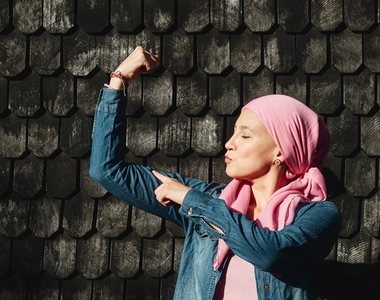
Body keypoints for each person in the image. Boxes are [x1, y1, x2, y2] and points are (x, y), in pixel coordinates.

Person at [89, 46, 342, 300]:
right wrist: (118, 79)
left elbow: (271, 253)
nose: (229, 143)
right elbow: (107, 170)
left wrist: (193, 202)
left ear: (281, 151)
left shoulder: (319, 215)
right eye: (233, 133)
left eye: (244, 135)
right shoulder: (211, 198)